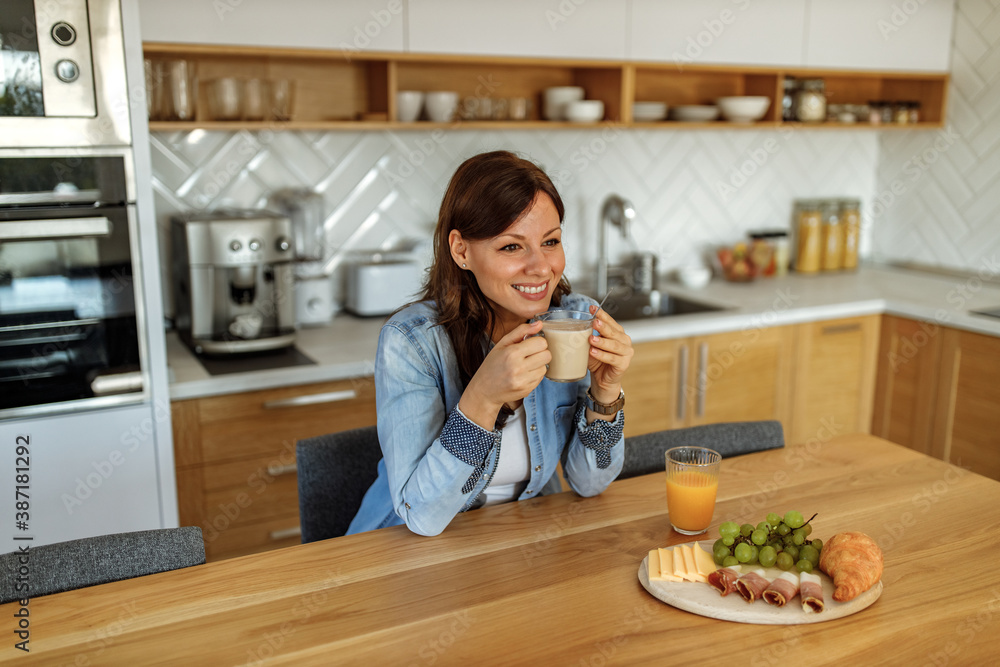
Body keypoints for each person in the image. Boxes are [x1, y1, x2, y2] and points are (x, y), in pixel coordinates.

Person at [347, 150, 633, 537]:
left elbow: (590, 483)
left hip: (517, 543)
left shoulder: (575, 320)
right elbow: (423, 518)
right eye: (511, 247)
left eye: (550, 241)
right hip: (401, 549)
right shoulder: (412, 342)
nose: (540, 266)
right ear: (461, 250)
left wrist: (606, 391)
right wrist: (482, 398)